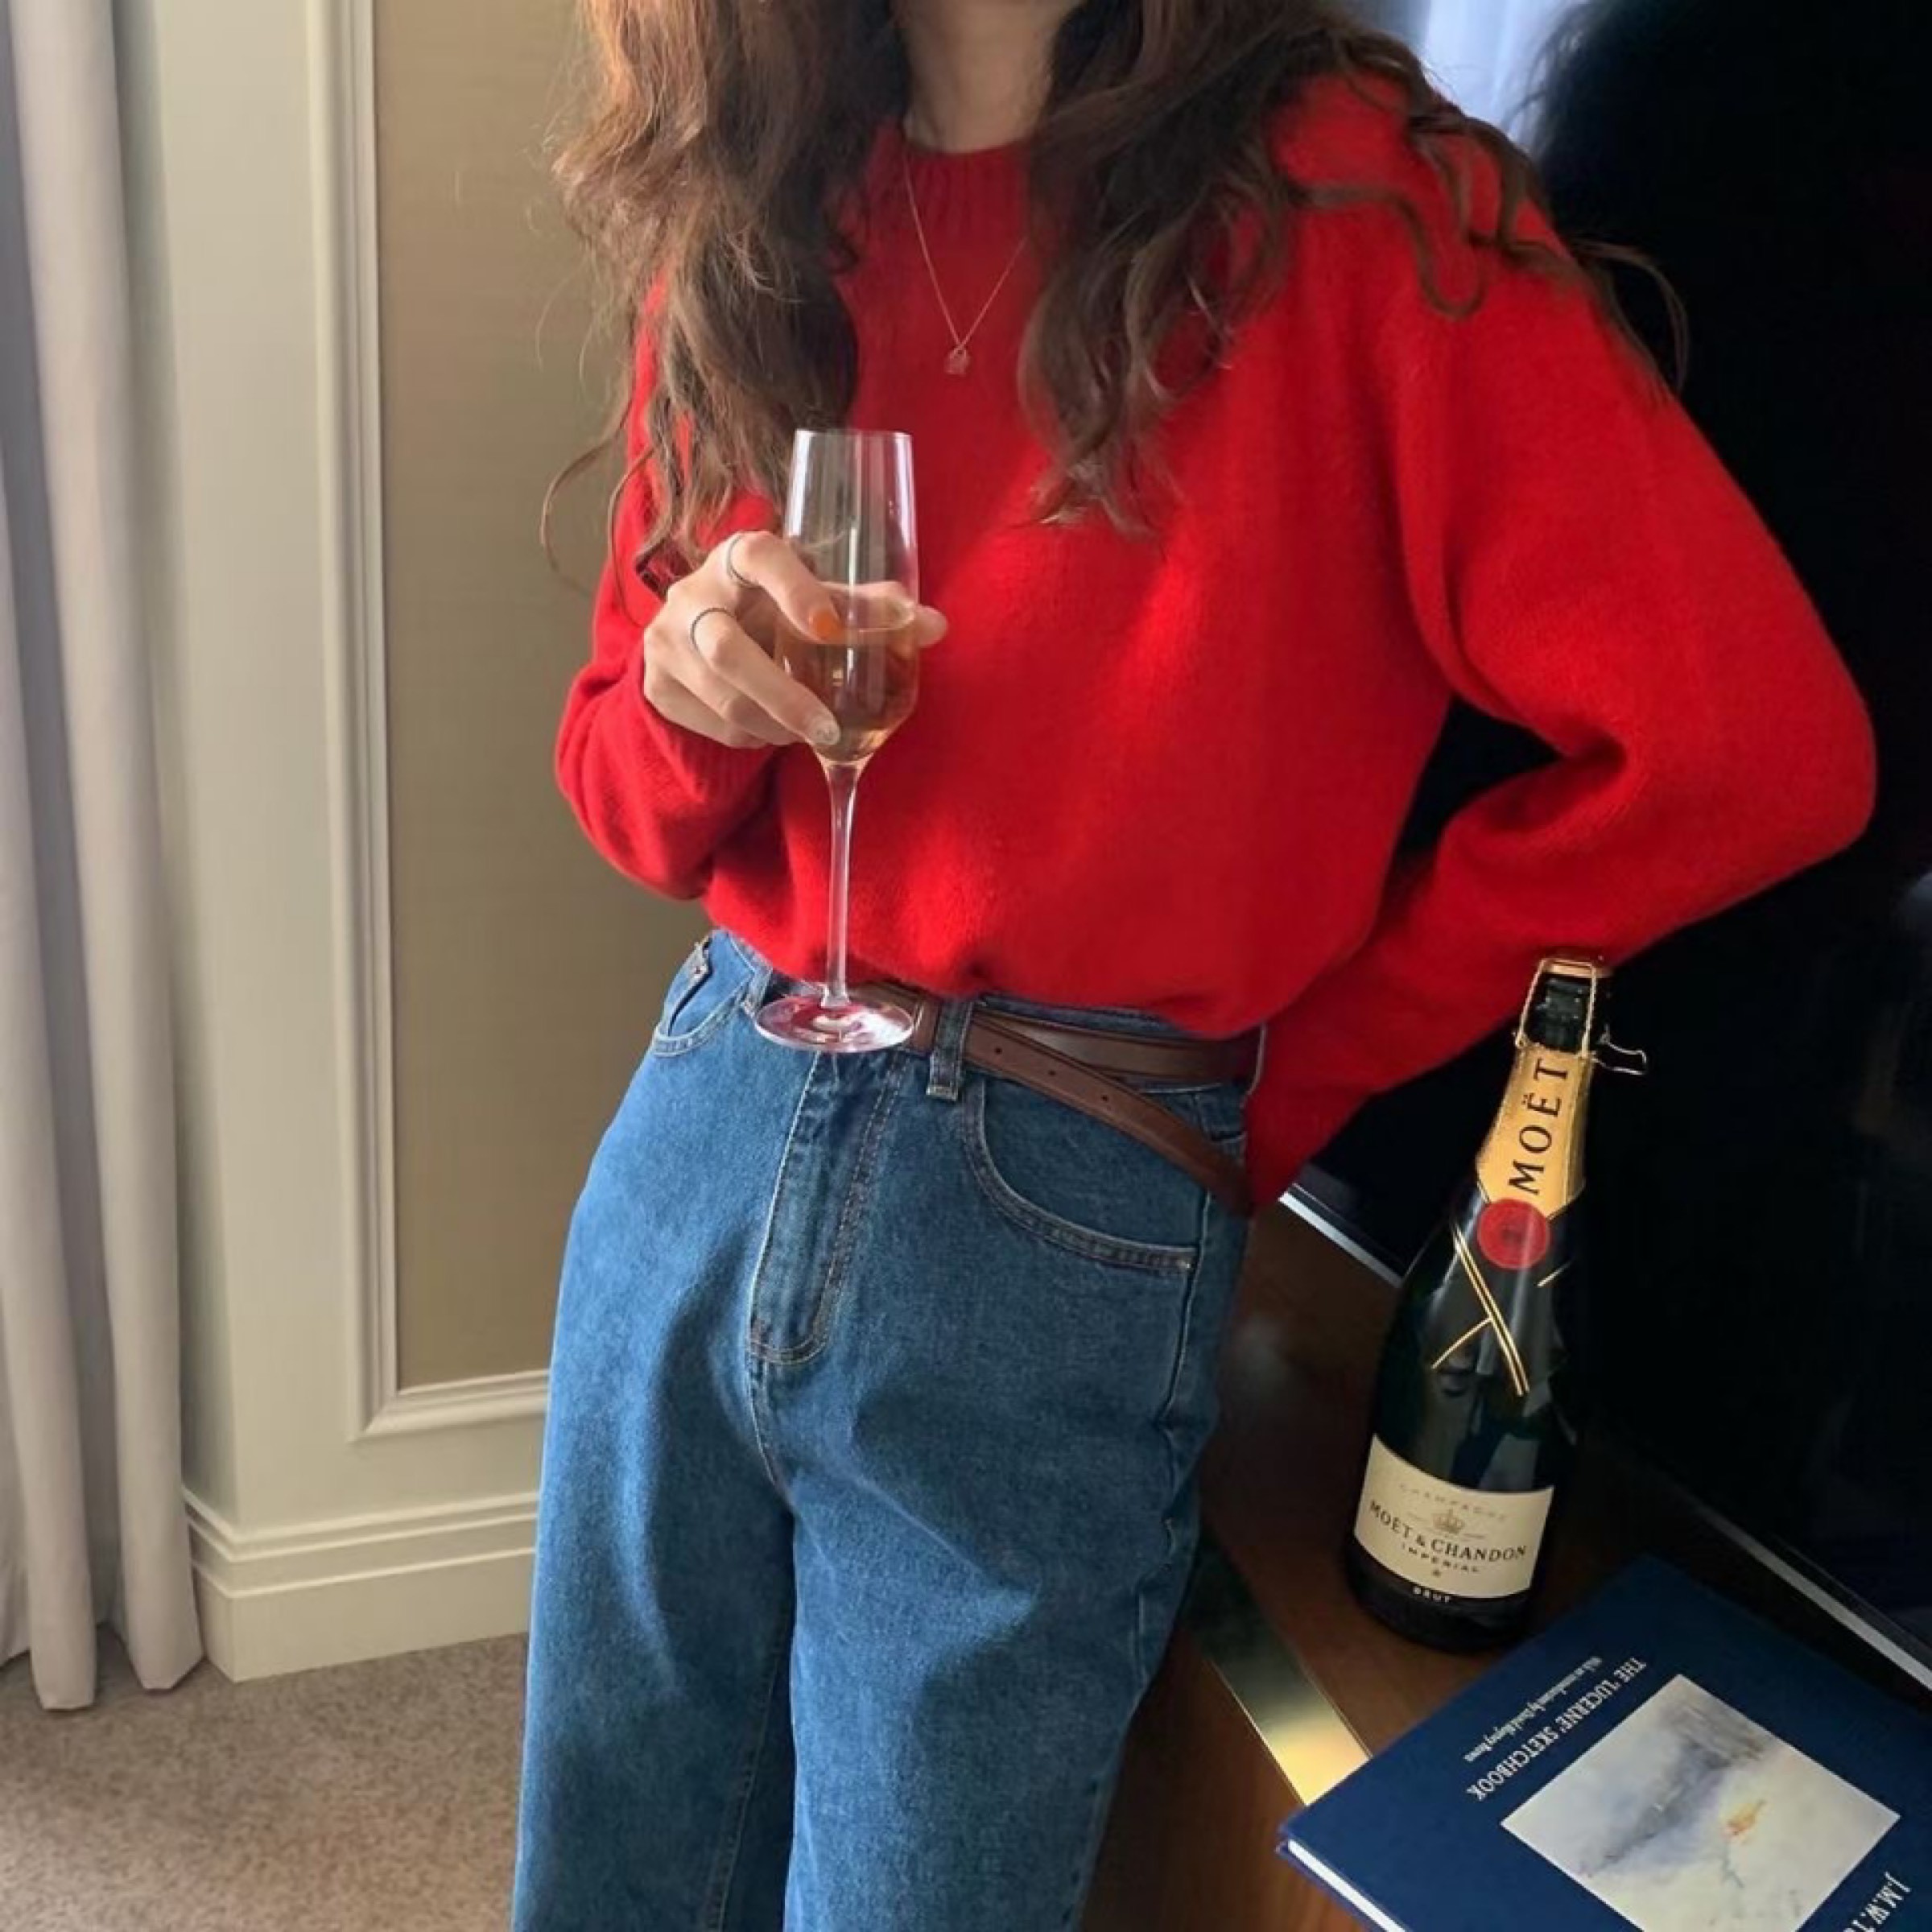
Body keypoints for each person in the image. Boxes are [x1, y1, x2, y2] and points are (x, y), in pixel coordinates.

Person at [512, 2, 1876, 1926]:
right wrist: (680, 692)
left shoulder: (1358, 203)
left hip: (1052, 1215)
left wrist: (1307, 1062)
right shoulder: (760, 200)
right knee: (611, 1873)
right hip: (705, 1126)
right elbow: (626, 798)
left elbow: (1751, 751)